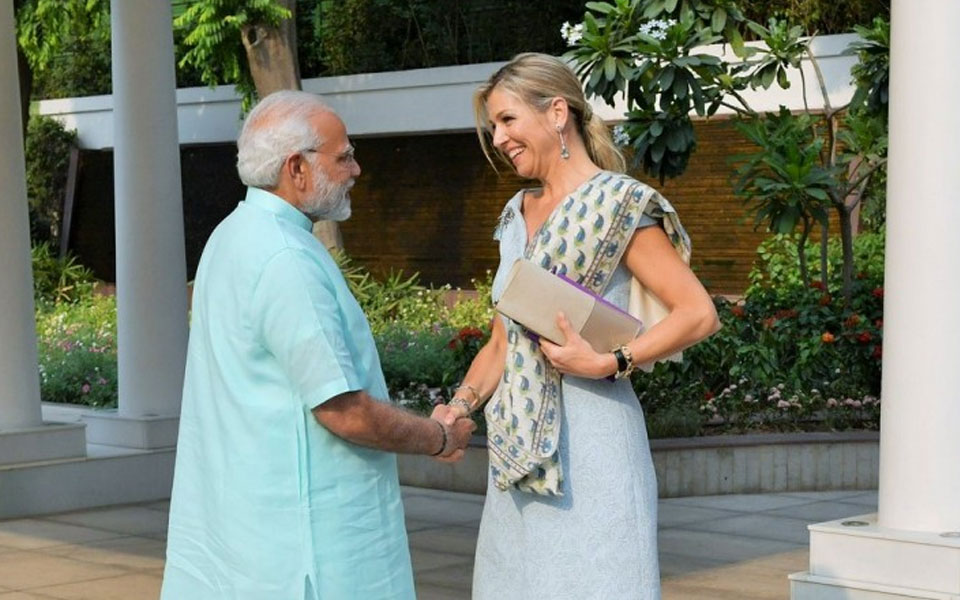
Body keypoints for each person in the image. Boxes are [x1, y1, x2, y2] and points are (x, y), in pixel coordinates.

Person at [160, 90, 475, 600]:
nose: (356, 169)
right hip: (306, 552)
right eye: (343, 156)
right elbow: (344, 411)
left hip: (248, 535)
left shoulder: (232, 234)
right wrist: (437, 437)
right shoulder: (286, 258)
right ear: (297, 169)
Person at [435, 53, 721, 598]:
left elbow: (698, 312)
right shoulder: (514, 215)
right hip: (518, 458)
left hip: (594, 447)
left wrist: (610, 361)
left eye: (507, 120)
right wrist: (461, 403)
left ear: (557, 113)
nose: (498, 139)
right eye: (493, 126)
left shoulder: (620, 204)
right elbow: (502, 341)